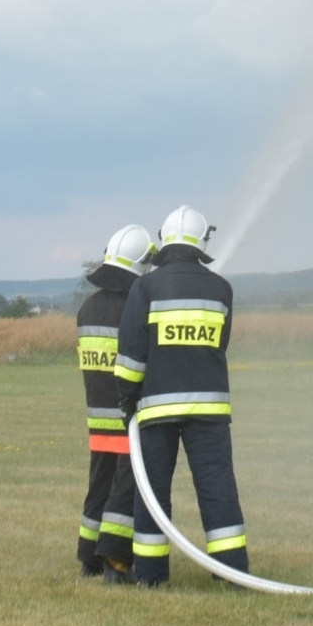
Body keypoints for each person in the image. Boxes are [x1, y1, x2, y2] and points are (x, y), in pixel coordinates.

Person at [115, 205, 249, 587]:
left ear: (164, 240)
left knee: (153, 492)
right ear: (201, 242)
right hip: (210, 409)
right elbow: (219, 344)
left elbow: (130, 354)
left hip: (156, 409)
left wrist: (127, 398)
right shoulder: (221, 288)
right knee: (218, 487)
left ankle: (152, 575)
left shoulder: (146, 287)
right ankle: (233, 571)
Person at [75, 223, 153, 583]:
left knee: (100, 483)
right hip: (126, 416)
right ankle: (116, 563)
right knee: (126, 486)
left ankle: (88, 555)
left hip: (97, 415)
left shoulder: (88, 309)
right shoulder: (134, 308)